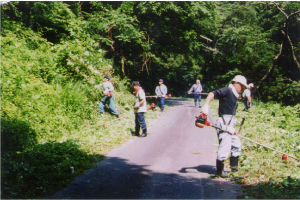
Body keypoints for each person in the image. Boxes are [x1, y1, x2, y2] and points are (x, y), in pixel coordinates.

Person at [200, 75, 248, 178]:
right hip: (224, 122)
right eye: (242, 86)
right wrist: (206, 107)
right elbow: (212, 94)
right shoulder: (227, 90)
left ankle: (234, 168)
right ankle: (219, 172)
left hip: (230, 124)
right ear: (236, 83)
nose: (242, 89)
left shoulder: (234, 94)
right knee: (225, 147)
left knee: (236, 145)